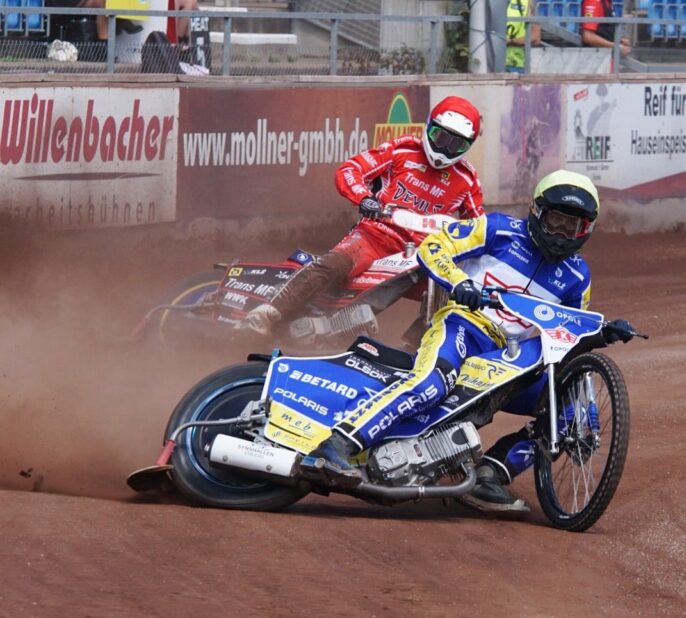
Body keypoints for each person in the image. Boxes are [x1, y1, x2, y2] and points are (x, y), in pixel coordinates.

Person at [301, 170, 636, 513]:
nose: (562, 234)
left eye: (573, 226)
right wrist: (460, 282)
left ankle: (490, 475)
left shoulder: (579, 276)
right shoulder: (498, 229)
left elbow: (569, 335)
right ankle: (337, 445)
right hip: (463, 327)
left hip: (510, 361)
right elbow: (434, 247)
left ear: (586, 229)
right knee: (431, 384)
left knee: (567, 413)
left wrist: (601, 336)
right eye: (556, 221)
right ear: (537, 212)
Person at [240, 96, 485, 335]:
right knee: (335, 264)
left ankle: (417, 350)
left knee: (452, 293)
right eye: (440, 137)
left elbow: (481, 228)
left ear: (468, 146)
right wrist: (364, 198)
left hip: (423, 253)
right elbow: (351, 169)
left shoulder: (467, 179)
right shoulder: (403, 149)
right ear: (429, 126)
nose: (444, 149)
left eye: (456, 145)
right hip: (375, 236)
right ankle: (268, 313)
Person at [506, 0, 541, 74]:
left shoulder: (528, 2)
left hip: (516, 64)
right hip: (489, 63)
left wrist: (511, 41)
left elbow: (535, 38)